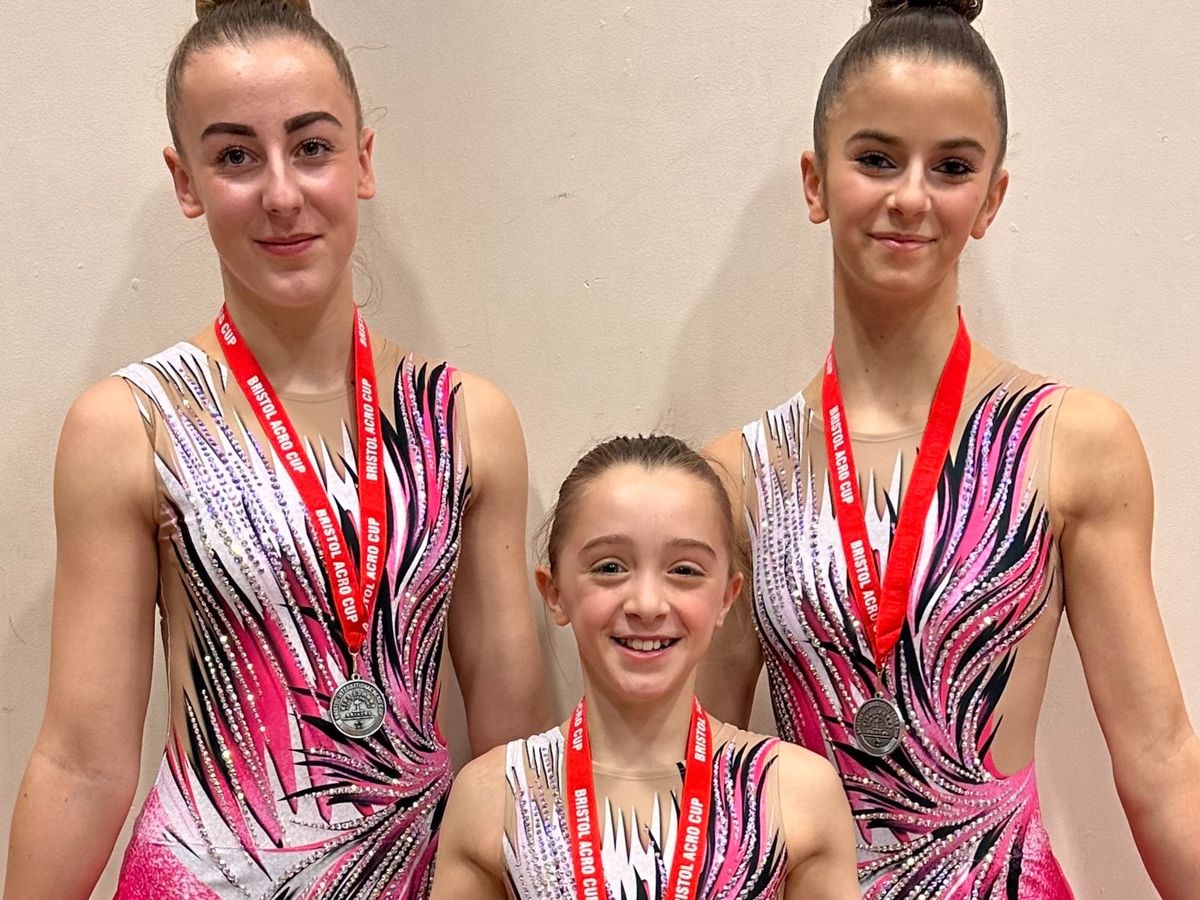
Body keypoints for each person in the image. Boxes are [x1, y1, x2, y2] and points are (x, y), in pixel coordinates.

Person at [4, 1, 549, 897]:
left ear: (362, 160)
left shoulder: (466, 421)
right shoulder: (130, 426)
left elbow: (513, 748)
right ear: (186, 181)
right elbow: (82, 762)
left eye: (312, 147)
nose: (283, 194)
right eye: (235, 157)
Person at [700, 1, 1200, 897]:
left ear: (991, 199)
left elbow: (1161, 759)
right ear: (815, 183)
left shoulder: (1072, 443)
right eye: (876, 158)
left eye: (953, 167)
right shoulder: (739, 478)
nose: (910, 197)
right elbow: (700, 786)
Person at [430, 436, 860, 899]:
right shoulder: (490, 799)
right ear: (554, 593)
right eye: (610, 567)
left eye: (685, 570)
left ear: (726, 598)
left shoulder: (797, 795)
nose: (648, 604)